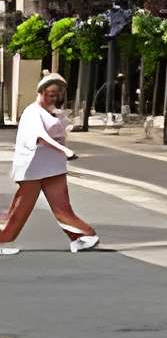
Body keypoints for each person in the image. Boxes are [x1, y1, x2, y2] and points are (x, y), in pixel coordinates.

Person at [3, 74, 100, 254]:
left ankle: (81, 237)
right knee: (18, 212)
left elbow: (62, 129)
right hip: (33, 169)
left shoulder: (54, 113)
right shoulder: (32, 113)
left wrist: (61, 118)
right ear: (41, 92)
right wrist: (65, 151)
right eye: (51, 93)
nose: (54, 98)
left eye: (57, 94)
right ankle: (2, 238)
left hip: (53, 168)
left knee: (62, 207)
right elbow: (40, 137)